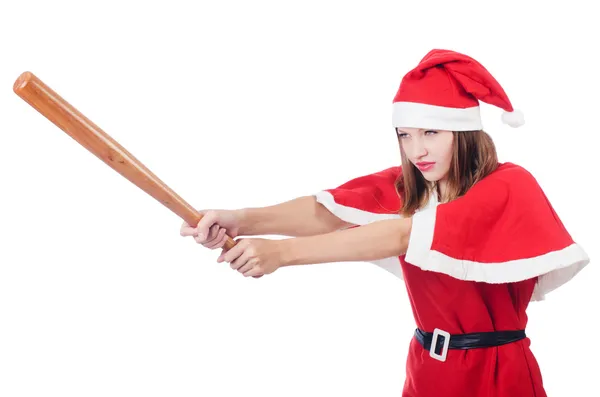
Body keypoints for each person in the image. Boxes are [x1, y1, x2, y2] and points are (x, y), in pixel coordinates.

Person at [180, 49, 590, 397]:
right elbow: (329, 209)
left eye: (430, 131)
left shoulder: (508, 185)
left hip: (495, 372)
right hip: (426, 365)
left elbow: (402, 233)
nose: (416, 150)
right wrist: (239, 220)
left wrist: (281, 253)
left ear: (463, 133)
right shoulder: (416, 184)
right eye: (405, 135)